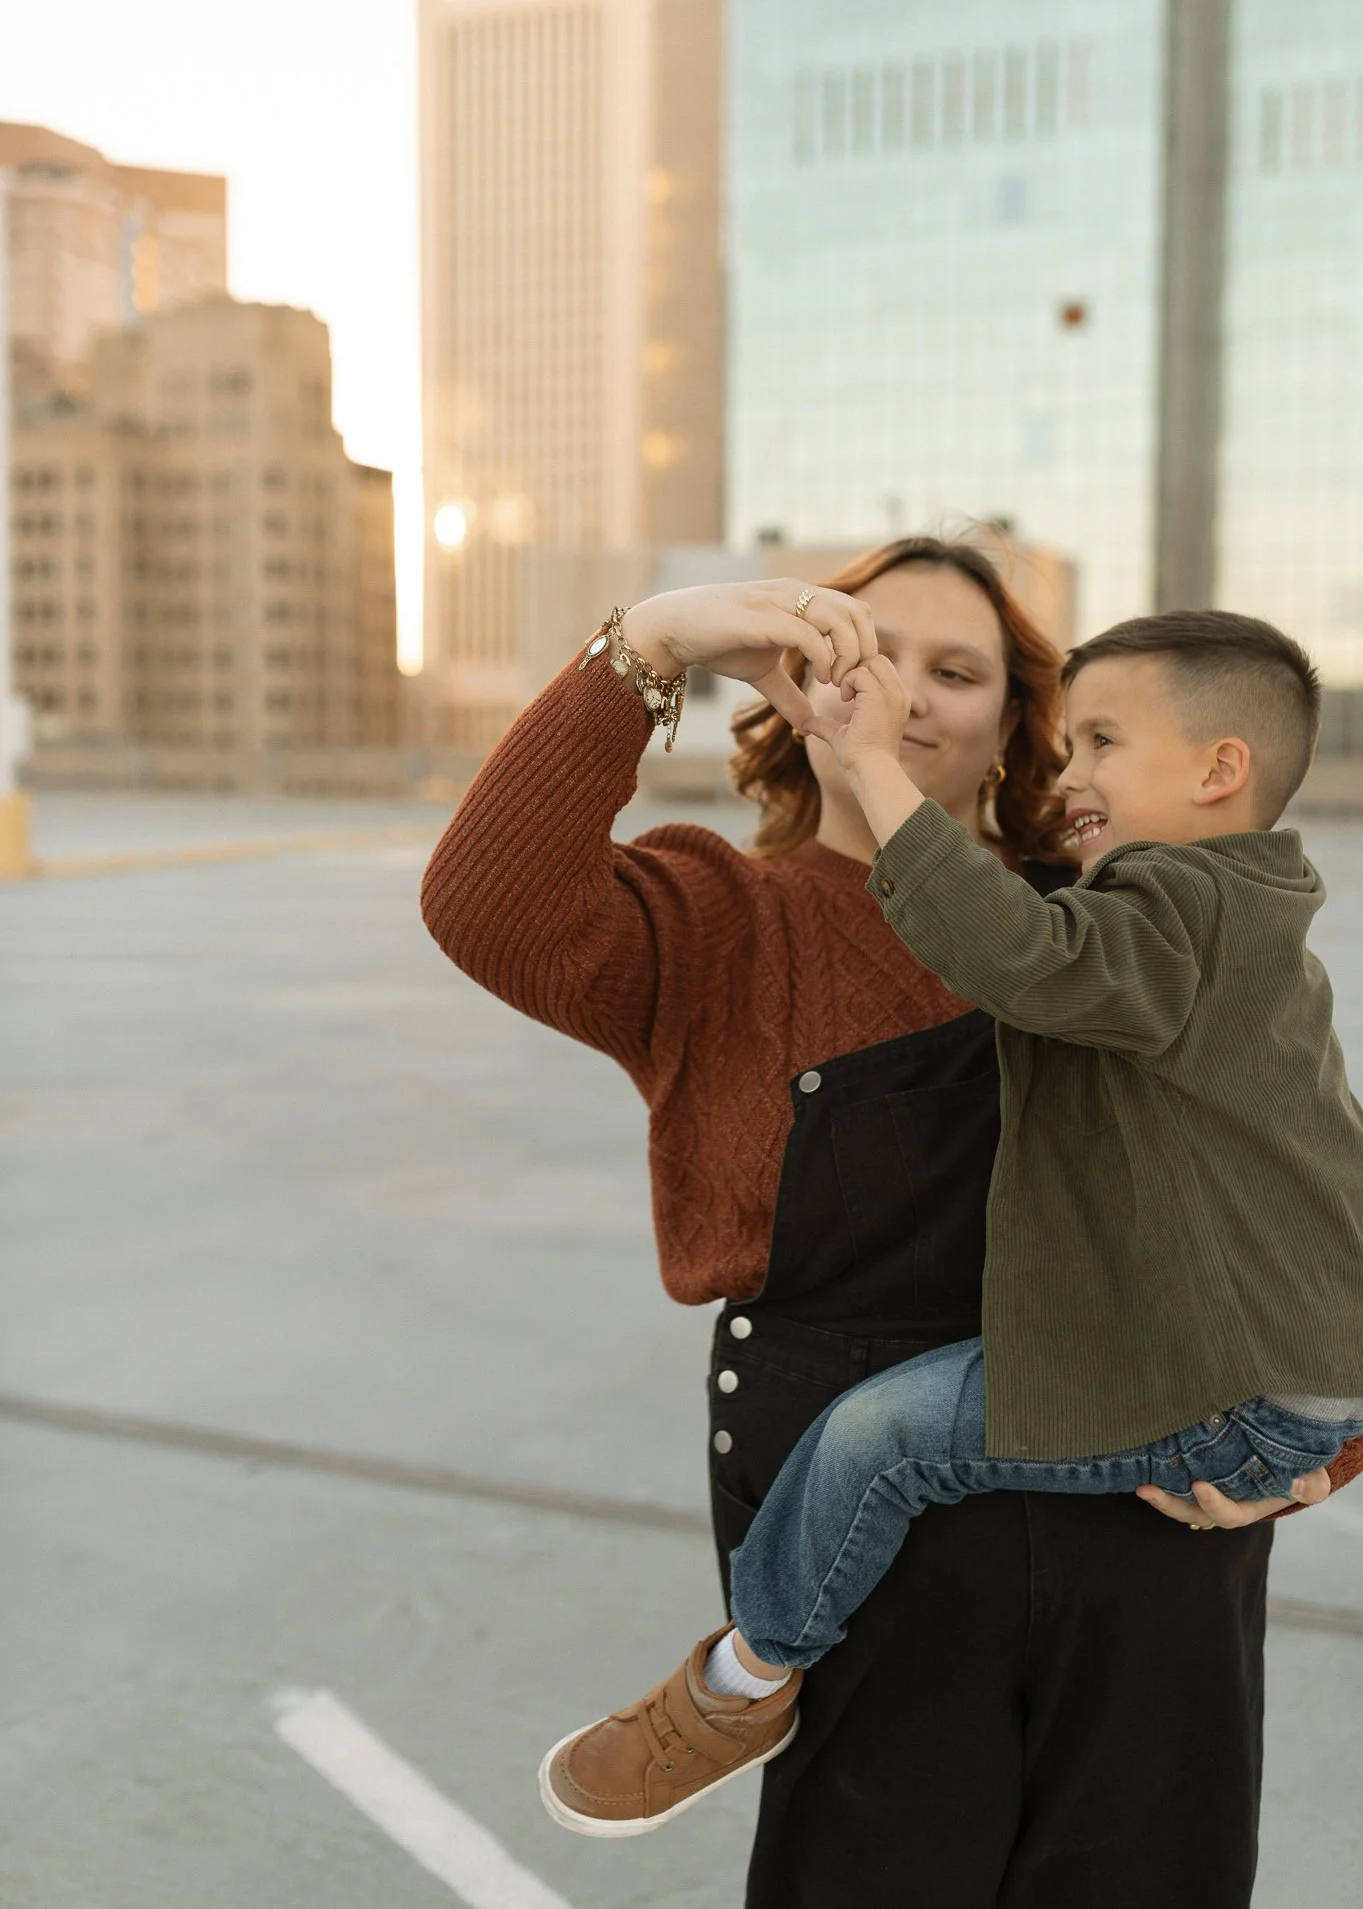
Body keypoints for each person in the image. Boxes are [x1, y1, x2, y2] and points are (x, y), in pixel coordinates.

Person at [420, 539, 1359, 1909]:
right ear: (796, 693)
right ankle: (732, 1694)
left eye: (954, 669)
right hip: (872, 1569)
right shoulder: (713, 920)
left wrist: (1322, 1443)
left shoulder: (1123, 922)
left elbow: (1298, 1175)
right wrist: (653, 642)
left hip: (1152, 1545)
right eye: (856, 649)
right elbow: (485, 904)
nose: (903, 692)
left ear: (1011, 733)